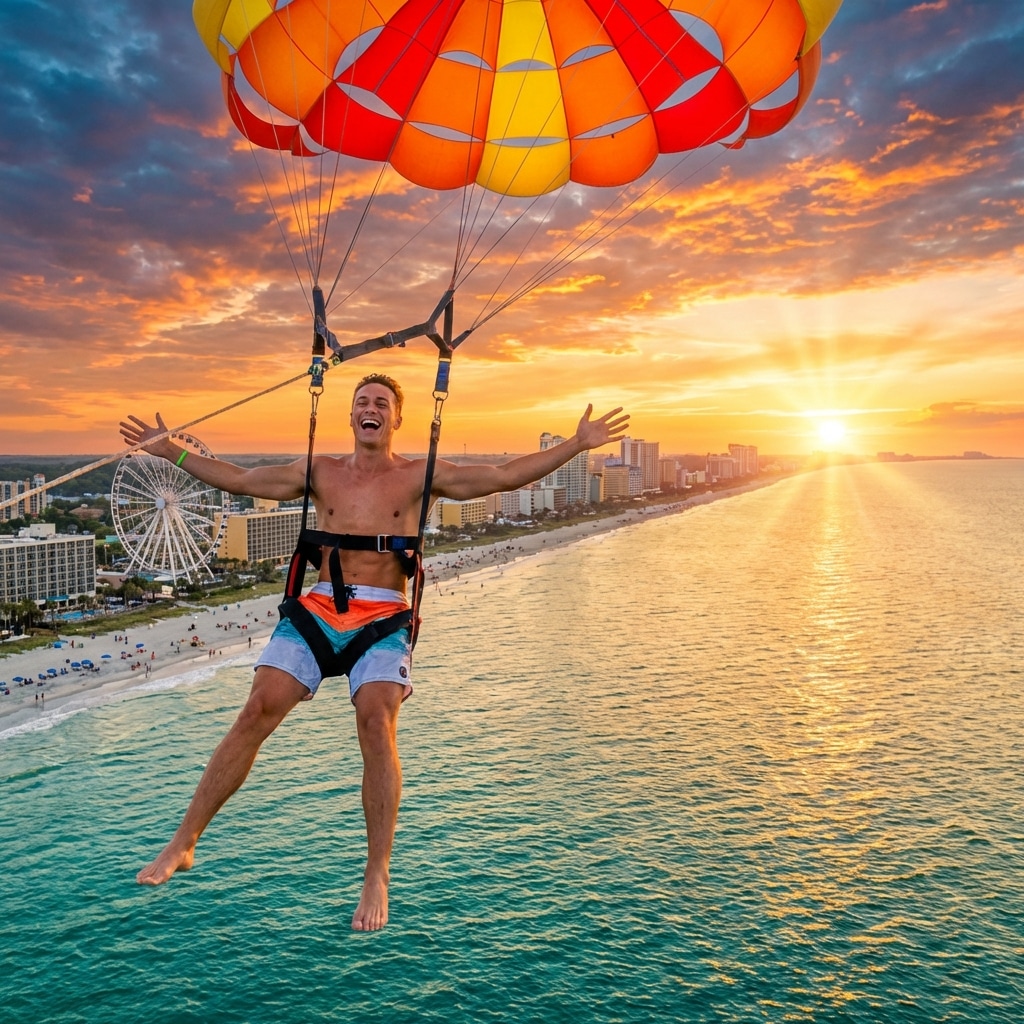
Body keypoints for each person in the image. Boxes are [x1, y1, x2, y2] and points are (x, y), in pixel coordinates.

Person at [120, 373, 628, 930]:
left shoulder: (418, 476)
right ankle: (185, 841)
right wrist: (169, 449)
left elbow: (502, 475)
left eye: (381, 403)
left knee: (377, 719)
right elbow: (243, 480)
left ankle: (377, 871)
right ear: (351, 415)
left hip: (383, 613)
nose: (371, 408)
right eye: (362, 401)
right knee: (257, 708)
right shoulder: (320, 471)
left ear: (396, 418)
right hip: (318, 607)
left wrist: (577, 444)